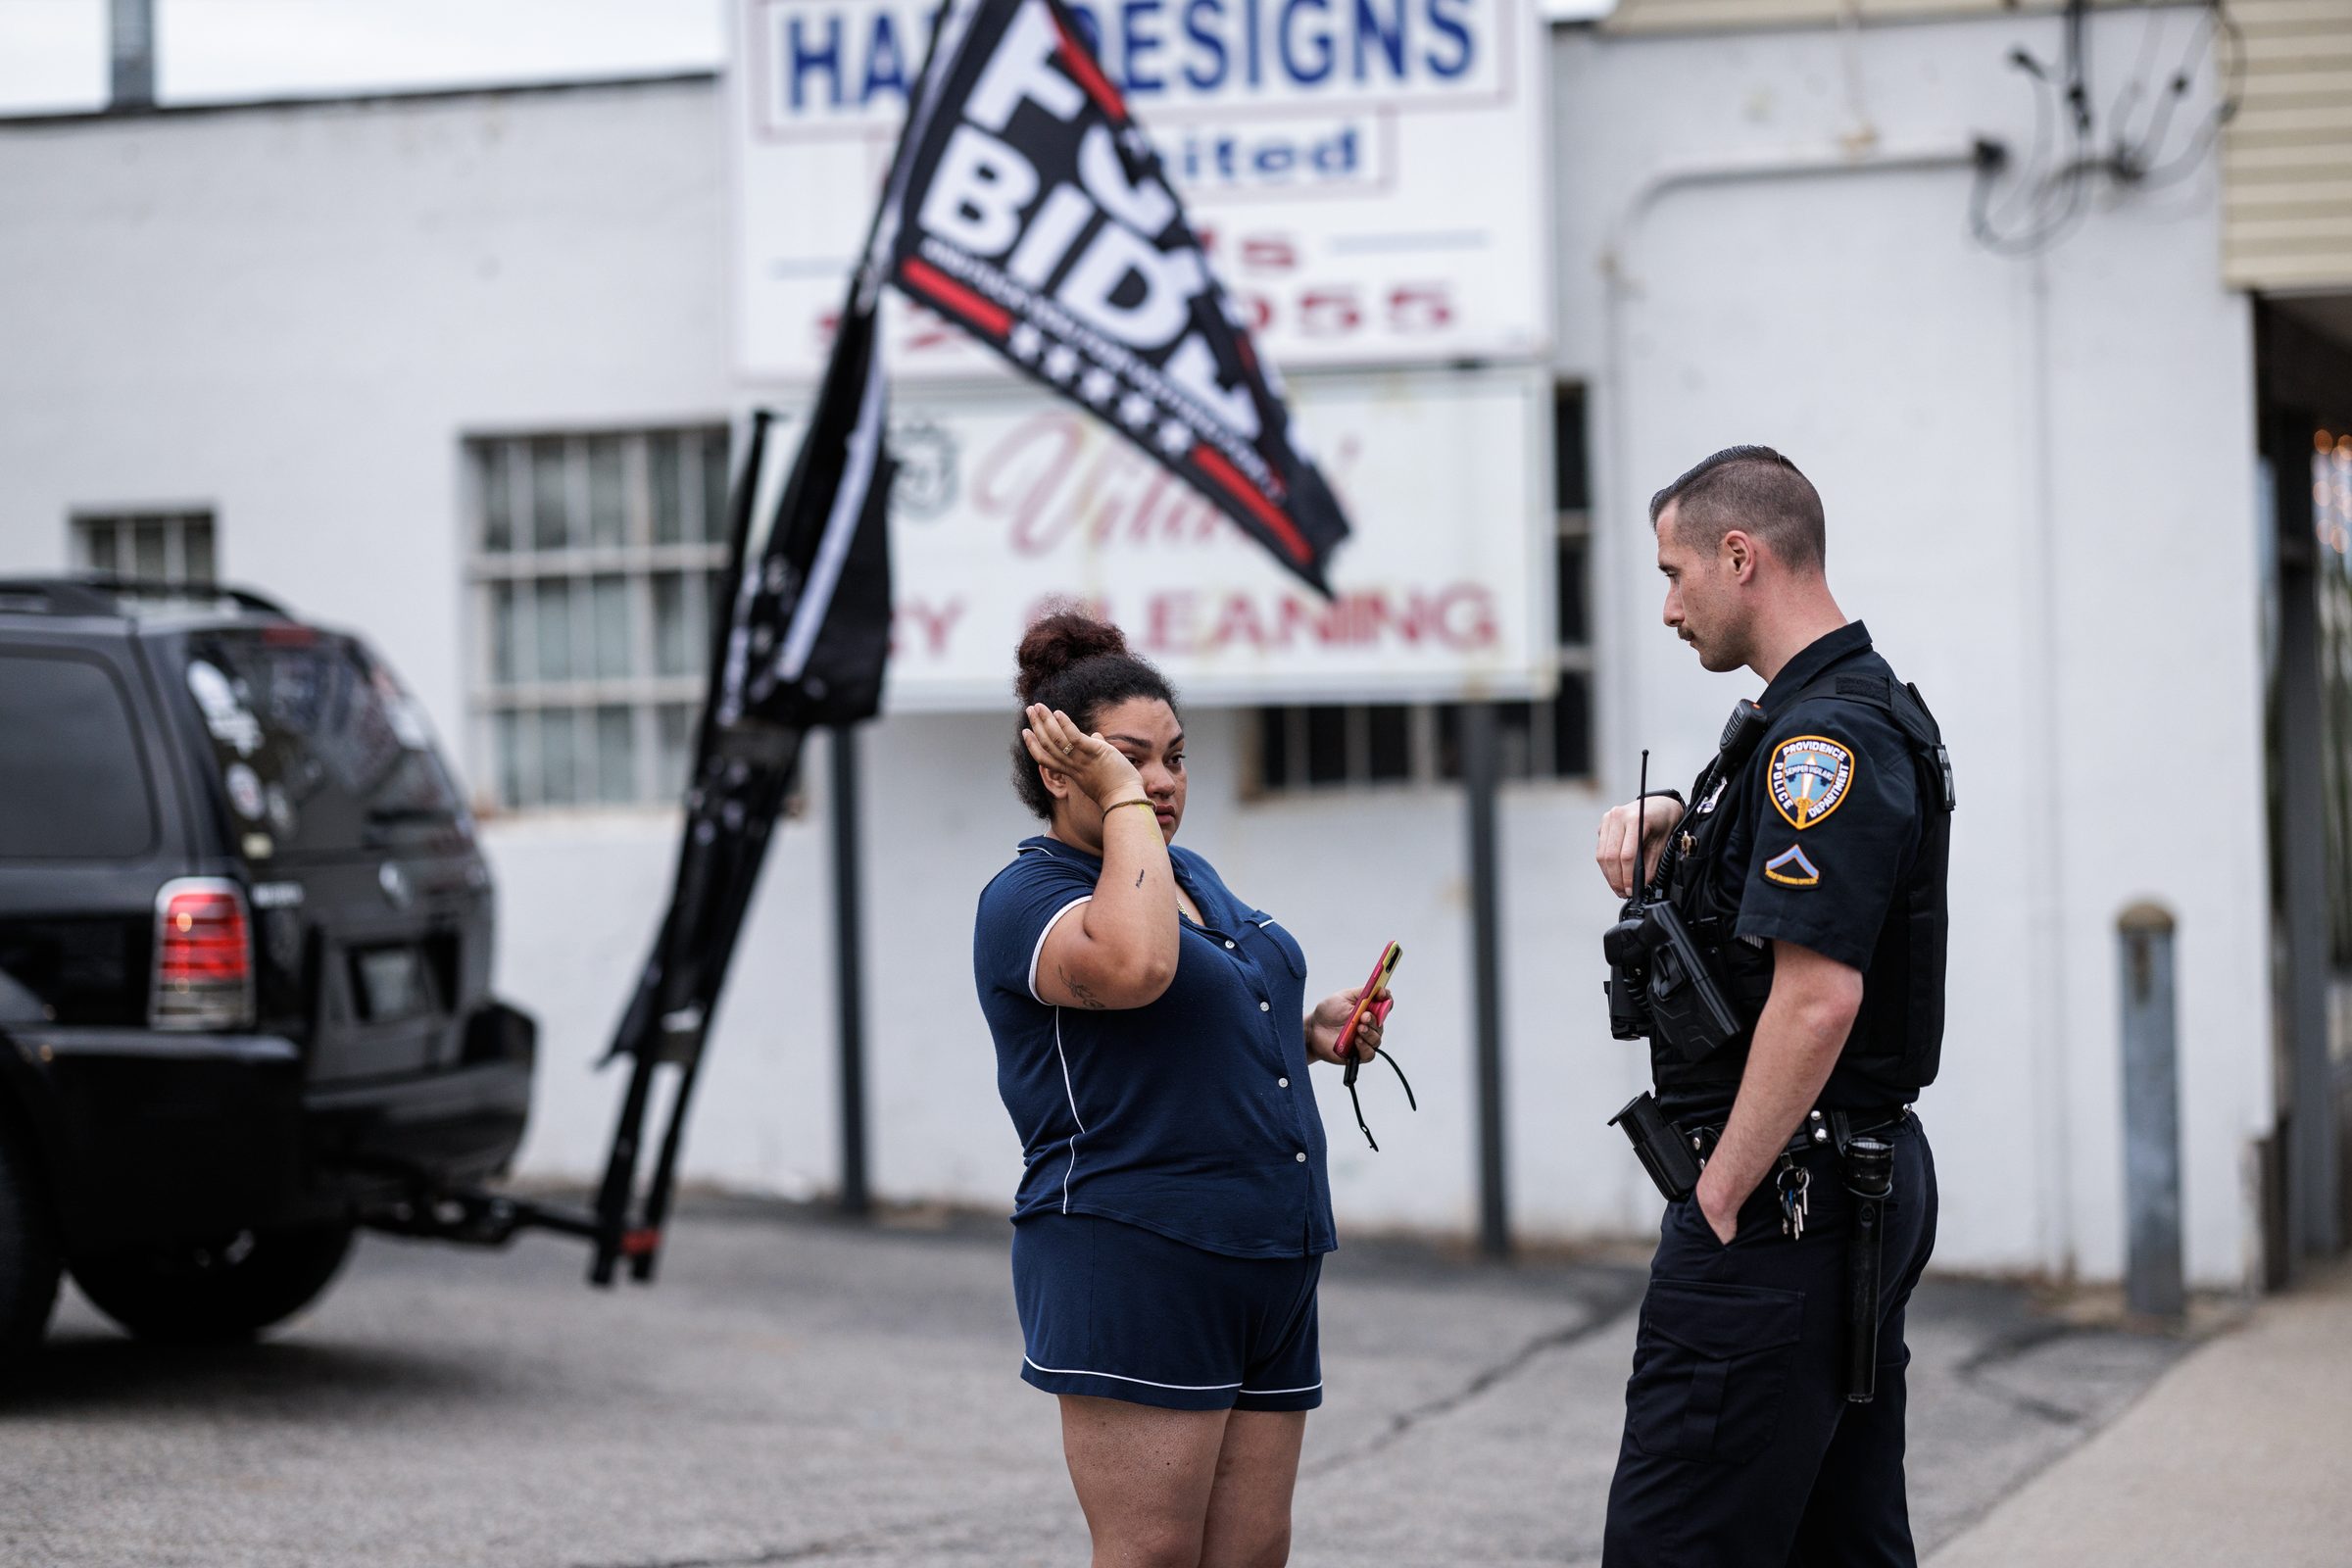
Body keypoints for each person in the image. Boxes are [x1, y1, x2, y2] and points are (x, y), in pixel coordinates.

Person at [1593, 447, 1955, 1566]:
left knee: (1673, 1543)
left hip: (1782, 1200)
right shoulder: (1823, 718)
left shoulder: (1822, 740)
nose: (1668, 608)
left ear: (1740, 556)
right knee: (1838, 1543)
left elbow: (1817, 998)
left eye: (1675, 574)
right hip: (1837, 1181)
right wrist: (1683, 821)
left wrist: (1719, 1196)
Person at [972, 610, 1392, 1568]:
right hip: (1138, 1250)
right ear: (1060, 769)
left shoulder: (1188, 873)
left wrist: (1308, 1034)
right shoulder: (1028, 897)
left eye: (1175, 757)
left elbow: (1197, 1017)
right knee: (1153, 1552)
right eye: (1131, 760)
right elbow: (1136, 969)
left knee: (1250, 1553)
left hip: (1272, 1252)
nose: (1161, 781)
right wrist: (1121, 801)